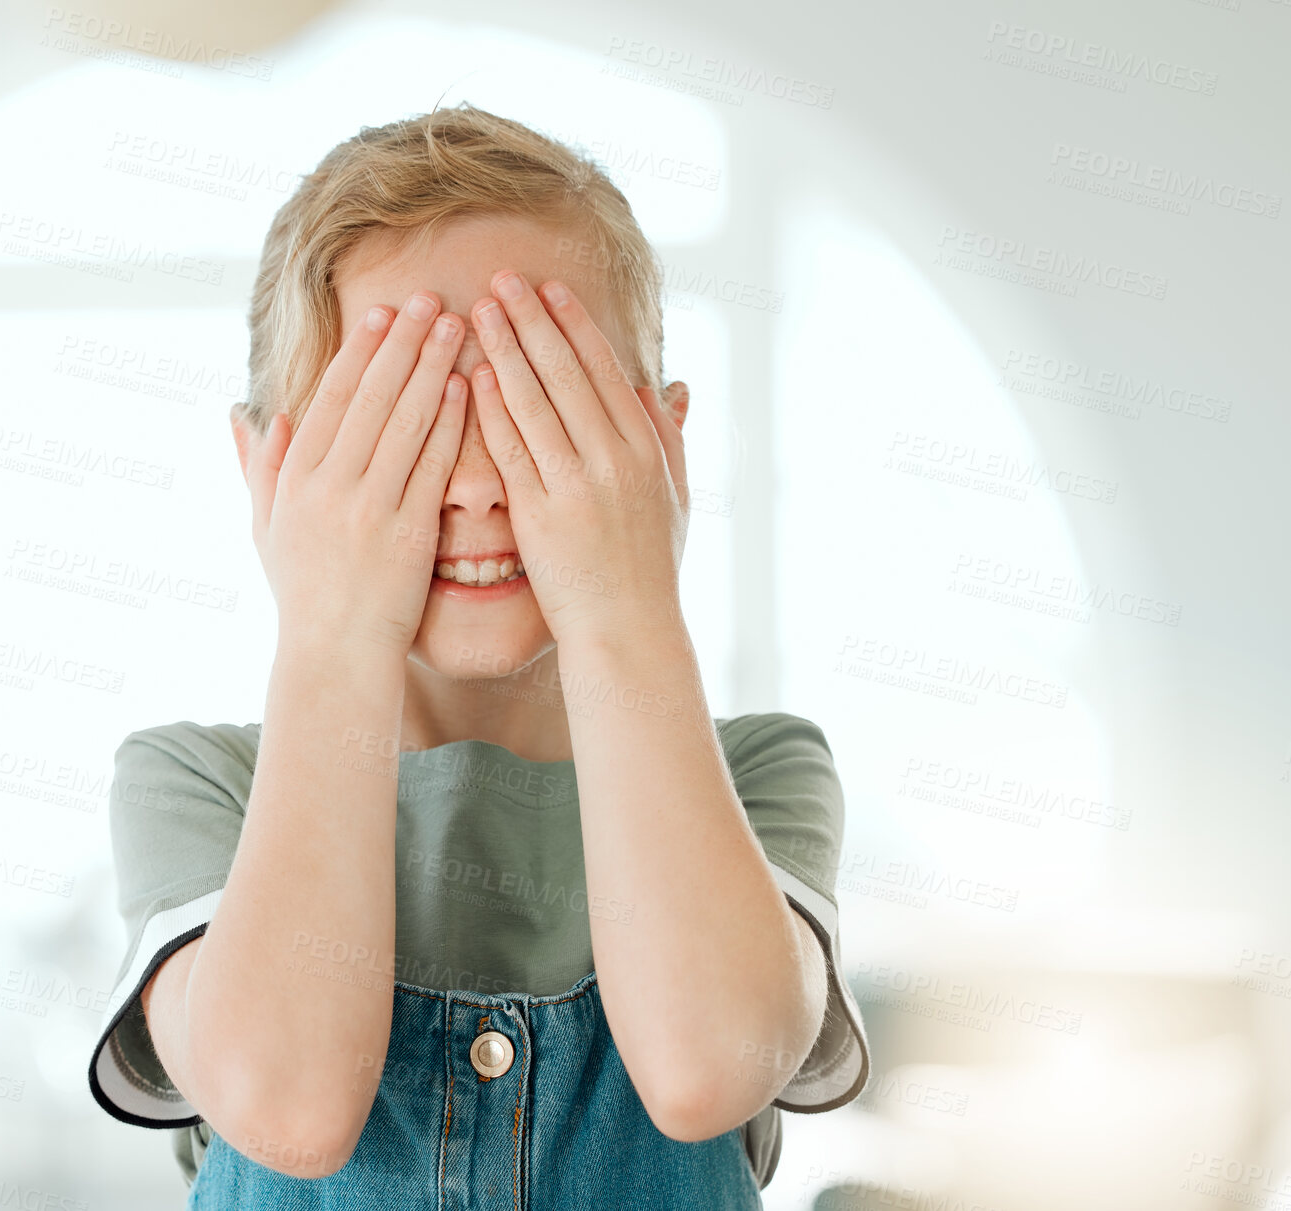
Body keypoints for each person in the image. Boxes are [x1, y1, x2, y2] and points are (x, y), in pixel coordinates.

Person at [85, 103, 870, 1210]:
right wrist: (333, 632)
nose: (473, 483)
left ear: (659, 447)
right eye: (392, 423)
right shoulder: (197, 785)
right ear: (267, 473)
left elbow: (709, 1070)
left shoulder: (755, 776)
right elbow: (292, 1107)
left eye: (539, 406)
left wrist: (623, 603)